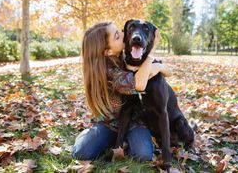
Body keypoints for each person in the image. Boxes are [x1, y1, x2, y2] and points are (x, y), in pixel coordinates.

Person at [72, 21, 171, 162]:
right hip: (109, 124)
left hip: (133, 122)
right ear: (108, 52)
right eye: (117, 36)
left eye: (120, 30)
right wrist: (153, 50)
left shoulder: (128, 55)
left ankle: (123, 141)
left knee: (143, 154)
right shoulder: (109, 72)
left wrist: (159, 67)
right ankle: (102, 138)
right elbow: (140, 84)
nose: (125, 34)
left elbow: (167, 70)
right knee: (81, 152)